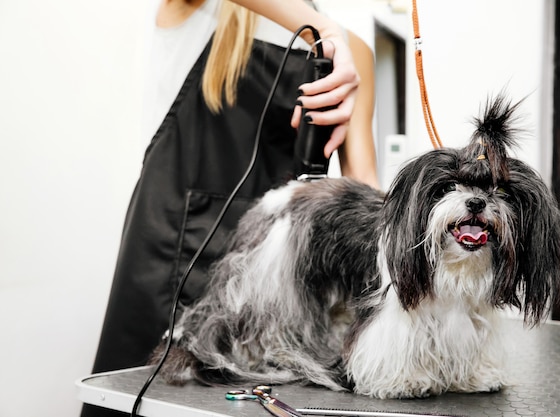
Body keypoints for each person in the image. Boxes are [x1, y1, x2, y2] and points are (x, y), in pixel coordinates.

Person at [80, 1, 377, 416]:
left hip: (277, 281)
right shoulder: (200, 10)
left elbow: (366, 194)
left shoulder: (353, 52)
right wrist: (321, 30)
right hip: (170, 255)